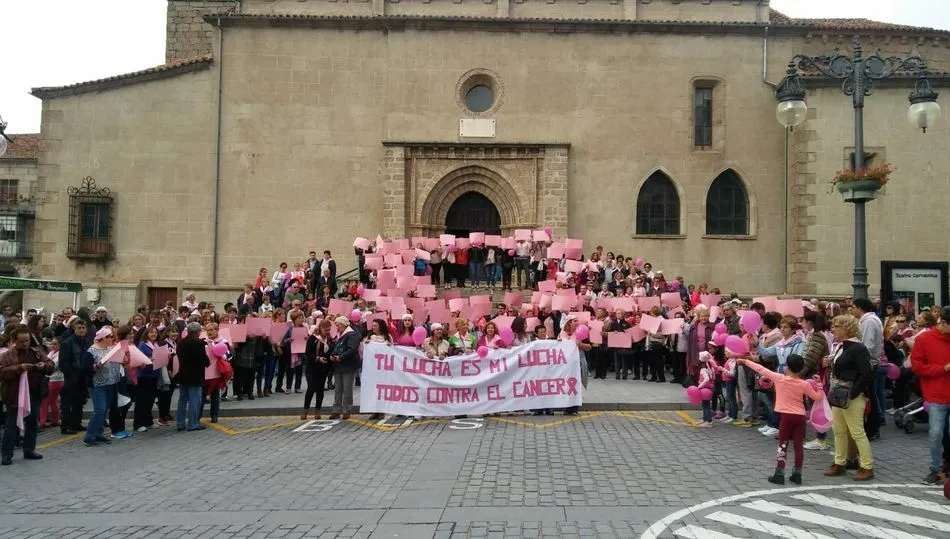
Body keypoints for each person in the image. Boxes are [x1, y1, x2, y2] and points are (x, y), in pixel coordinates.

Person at [738, 354, 824, 485]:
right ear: (801, 369)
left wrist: (745, 361)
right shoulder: (804, 384)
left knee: (783, 444)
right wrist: (819, 384)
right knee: (798, 446)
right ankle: (797, 474)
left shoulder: (779, 378)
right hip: (800, 417)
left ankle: (779, 474)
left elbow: (761, 369)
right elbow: (818, 397)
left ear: (787, 367)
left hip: (786, 416)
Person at [823, 314, 874, 481]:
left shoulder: (858, 348)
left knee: (857, 432)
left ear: (847, 329)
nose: (833, 329)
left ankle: (866, 466)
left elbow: (866, 374)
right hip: (839, 393)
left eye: (837, 326)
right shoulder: (841, 346)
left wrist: (853, 393)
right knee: (838, 430)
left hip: (852, 395)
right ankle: (839, 462)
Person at [0, 328, 55, 464]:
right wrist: (19, 368)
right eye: (22, 341)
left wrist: (44, 365)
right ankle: (7, 454)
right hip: (14, 395)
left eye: (27, 341)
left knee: (32, 423)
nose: (25, 344)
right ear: (14, 341)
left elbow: (51, 365)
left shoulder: (37, 352)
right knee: (11, 425)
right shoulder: (7, 355)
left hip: (34, 393)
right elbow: (2, 372)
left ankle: (29, 449)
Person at [909, 305, 950, 485]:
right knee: (935, 433)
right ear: (944, 322)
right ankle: (935, 469)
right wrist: (943, 368)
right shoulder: (924, 339)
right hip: (936, 395)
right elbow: (918, 367)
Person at [82, 327, 124, 447]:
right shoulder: (91, 351)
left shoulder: (110, 349)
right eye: (110, 337)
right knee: (100, 409)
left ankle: (98, 433)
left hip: (111, 383)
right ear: (104, 338)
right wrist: (97, 366)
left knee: (104, 410)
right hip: (97, 385)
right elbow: (85, 369)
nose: (112, 339)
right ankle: (89, 436)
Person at [57, 317, 90, 434]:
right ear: (74, 329)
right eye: (79, 328)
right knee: (68, 402)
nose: (81, 330)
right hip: (71, 377)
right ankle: (66, 425)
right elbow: (63, 363)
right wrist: (71, 374)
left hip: (83, 376)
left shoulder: (87, 342)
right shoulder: (67, 343)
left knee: (80, 401)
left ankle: (76, 423)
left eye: (83, 328)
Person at [176, 322, 209, 432]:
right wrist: (207, 362)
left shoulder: (181, 342)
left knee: (182, 400)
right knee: (194, 400)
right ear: (197, 332)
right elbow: (203, 359)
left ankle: (180, 423)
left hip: (183, 373)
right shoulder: (199, 343)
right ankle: (193, 424)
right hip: (196, 374)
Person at [301, 319, 333, 420]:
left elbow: (330, 352)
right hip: (312, 367)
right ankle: (305, 410)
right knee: (311, 388)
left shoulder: (329, 339)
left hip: (323, 368)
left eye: (329, 330)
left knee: (320, 389)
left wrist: (329, 359)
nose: (327, 332)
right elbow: (307, 353)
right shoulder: (313, 338)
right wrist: (317, 358)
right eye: (326, 330)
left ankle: (317, 411)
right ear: (320, 328)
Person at [330, 316, 360, 420]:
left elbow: (352, 349)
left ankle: (347, 410)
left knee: (347, 389)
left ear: (343, 325)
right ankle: (336, 410)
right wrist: (332, 355)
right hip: (338, 365)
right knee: (338, 389)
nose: (337, 328)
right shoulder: (341, 335)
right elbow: (337, 347)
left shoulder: (352, 335)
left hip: (348, 365)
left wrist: (341, 357)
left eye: (338, 325)